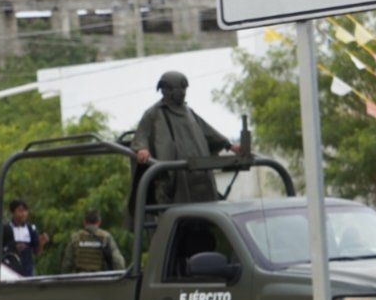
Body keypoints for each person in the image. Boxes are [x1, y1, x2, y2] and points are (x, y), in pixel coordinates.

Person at [131, 71, 241, 205]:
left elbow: (208, 131)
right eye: (178, 88)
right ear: (165, 89)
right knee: (180, 213)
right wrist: (142, 148)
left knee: (206, 210)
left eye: (184, 88)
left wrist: (229, 146)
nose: (182, 92)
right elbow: (142, 134)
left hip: (200, 175)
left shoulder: (189, 112)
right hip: (174, 178)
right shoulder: (154, 114)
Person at [60, 210, 126, 274]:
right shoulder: (106, 237)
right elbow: (118, 262)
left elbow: (67, 264)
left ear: (84, 222)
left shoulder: (75, 238)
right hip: (100, 279)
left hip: (80, 280)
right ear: (99, 222)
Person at [1, 199, 49, 276]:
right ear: (13, 213)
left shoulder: (31, 229)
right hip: (10, 269)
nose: (23, 214)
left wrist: (41, 244)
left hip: (26, 270)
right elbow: (0, 249)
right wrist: (13, 248)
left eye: (25, 211)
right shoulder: (6, 229)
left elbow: (37, 252)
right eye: (20, 211)